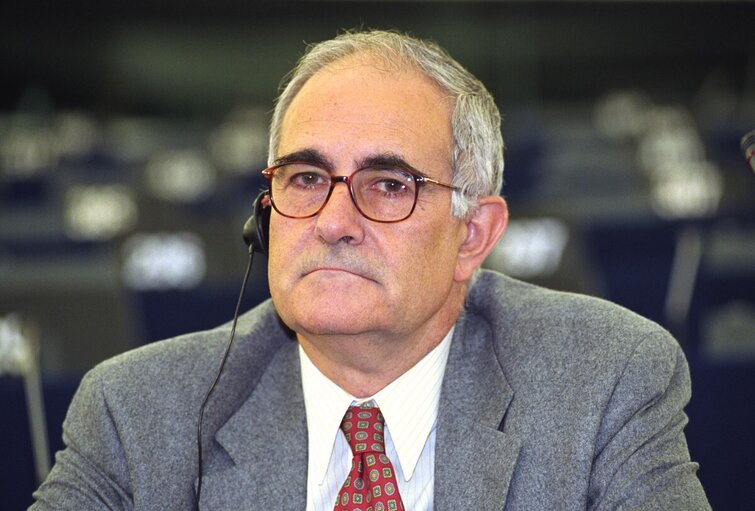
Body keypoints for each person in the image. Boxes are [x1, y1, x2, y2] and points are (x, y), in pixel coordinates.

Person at [31, 30, 710, 510]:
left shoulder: (603, 381)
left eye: (388, 185)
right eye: (305, 177)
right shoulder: (136, 413)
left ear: (472, 234)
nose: (331, 220)